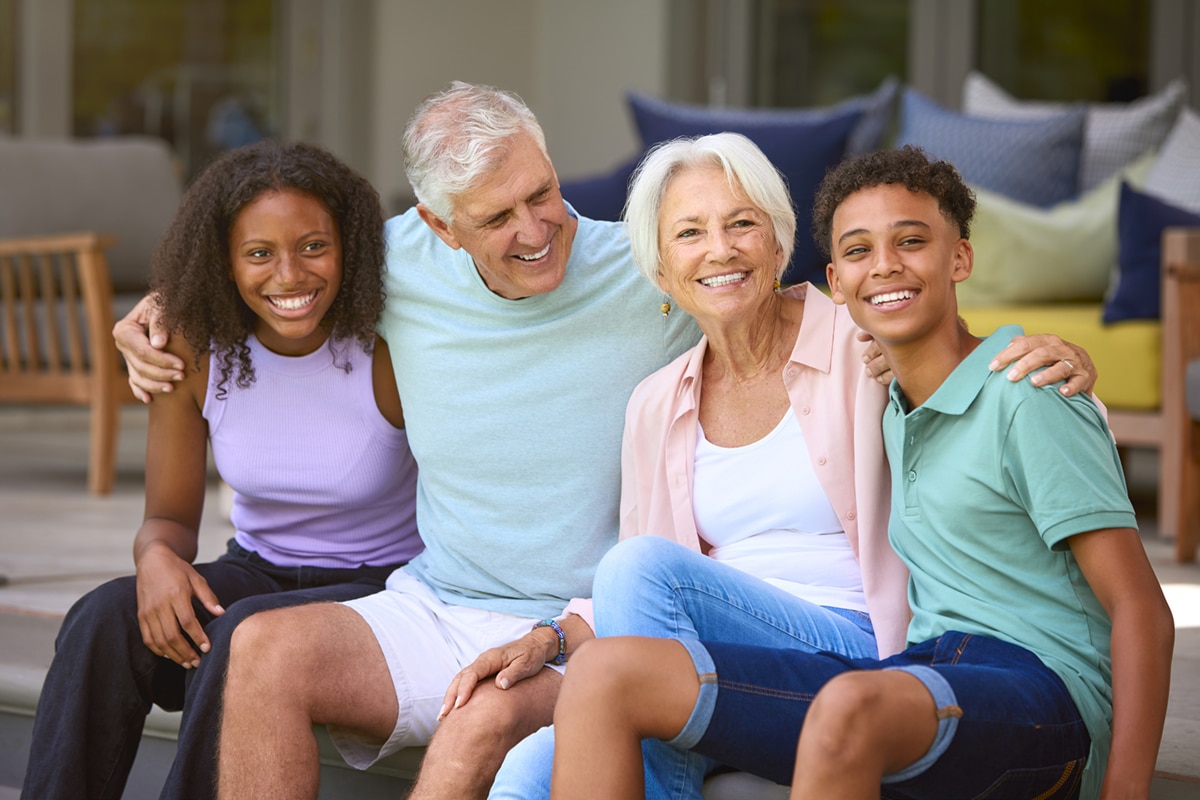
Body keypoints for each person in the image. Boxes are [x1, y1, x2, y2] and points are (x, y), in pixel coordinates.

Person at [114, 83, 1098, 800]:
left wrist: (1029, 348)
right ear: (442, 230)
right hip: (467, 602)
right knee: (270, 651)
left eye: (544, 192)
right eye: (498, 217)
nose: (543, 227)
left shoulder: (661, 274)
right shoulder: (398, 261)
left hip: (643, 625)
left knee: (518, 692)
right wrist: (163, 314)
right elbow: (274, 269)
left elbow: (879, 302)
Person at [547, 145, 1174, 800]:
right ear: (836, 286)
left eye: (910, 241)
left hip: (1041, 689)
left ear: (960, 257)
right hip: (926, 669)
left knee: (847, 704)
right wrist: (555, 637)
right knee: (603, 679)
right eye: (857, 251)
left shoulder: (1023, 389)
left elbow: (1142, 610)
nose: (885, 266)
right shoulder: (891, 397)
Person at [489, 131, 911, 800]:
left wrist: (1032, 353)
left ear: (779, 241)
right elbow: (641, 601)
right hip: (726, 669)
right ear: (661, 271)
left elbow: (975, 377)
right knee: (525, 771)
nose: (720, 250)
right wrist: (551, 636)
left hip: (858, 652)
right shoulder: (657, 404)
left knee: (637, 570)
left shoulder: (862, 340)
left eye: (741, 223)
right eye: (690, 233)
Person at [22, 139, 422, 800]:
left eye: (313, 246)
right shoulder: (195, 348)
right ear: (225, 263)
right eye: (259, 253)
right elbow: (169, 519)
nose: (289, 276)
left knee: (242, 633)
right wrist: (155, 560)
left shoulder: (390, 347)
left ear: (350, 245)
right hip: (255, 572)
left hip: (381, 593)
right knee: (102, 619)